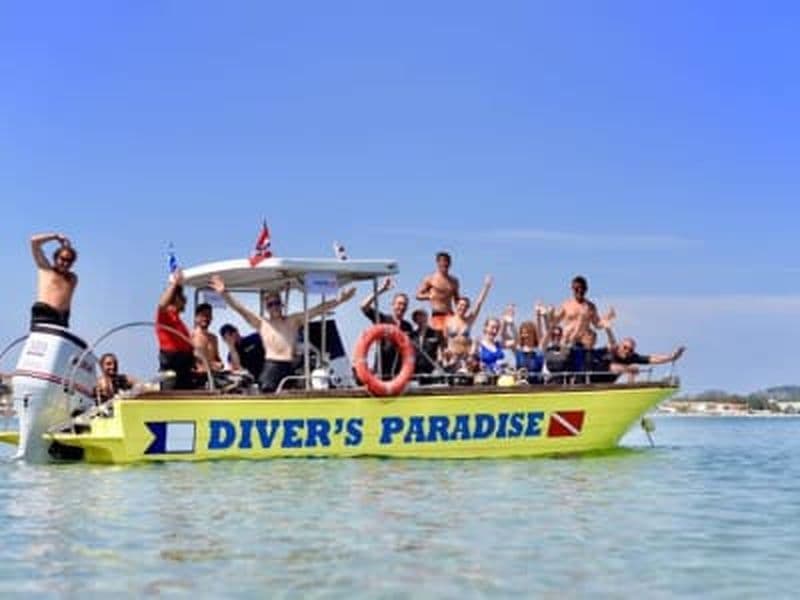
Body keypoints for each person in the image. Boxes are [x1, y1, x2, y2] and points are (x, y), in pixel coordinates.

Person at [209, 275, 356, 393]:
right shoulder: (262, 323)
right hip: (272, 367)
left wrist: (340, 300)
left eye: (276, 303)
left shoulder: (294, 320)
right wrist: (224, 293)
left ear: (282, 304)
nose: (274, 307)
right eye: (270, 304)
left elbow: (318, 309)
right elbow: (241, 309)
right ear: (266, 308)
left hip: (291, 367)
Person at [360, 278, 414, 379]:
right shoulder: (383, 319)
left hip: (399, 372)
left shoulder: (407, 326)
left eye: (404, 304)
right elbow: (363, 306)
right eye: (399, 303)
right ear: (393, 305)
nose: (402, 307)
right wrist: (381, 289)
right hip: (381, 370)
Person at [156, 270, 195, 389]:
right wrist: (174, 284)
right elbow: (161, 305)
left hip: (185, 368)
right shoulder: (165, 316)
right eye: (182, 297)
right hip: (171, 368)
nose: (185, 300)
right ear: (176, 299)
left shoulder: (179, 322)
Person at [30, 232, 78, 328]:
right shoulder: (46, 270)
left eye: (69, 261)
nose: (65, 263)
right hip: (43, 317)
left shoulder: (73, 278)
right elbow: (34, 241)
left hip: (62, 321)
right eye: (63, 259)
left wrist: (67, 247)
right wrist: (55, 237)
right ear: (55, 258)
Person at [443, 275, 493, 352]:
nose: (463, 308)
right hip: (452, 353)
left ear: (467, 308)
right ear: (456, 305)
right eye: (461, 305)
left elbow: (479, 303)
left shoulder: (469, 320)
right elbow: (444, 340)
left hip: (465, 353)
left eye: (465, 306)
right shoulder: (448, 321)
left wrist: (486, 287)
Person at [416, 252, 460, 331]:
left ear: (450, 264)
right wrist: (428, 296)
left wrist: (461, 312)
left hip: (450, 314)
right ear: (438, 263)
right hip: (437, 314)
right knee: (438, 336)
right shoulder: (430, 278)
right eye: (442, 261)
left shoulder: (454, 281)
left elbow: (457, 300)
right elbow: (418, 295)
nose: (444, 263)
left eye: (447, 261)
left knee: (453, 336)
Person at [551, 275, 601, 342]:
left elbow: (597, 325)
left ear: (586, 289)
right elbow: (555, 321)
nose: (580, 290)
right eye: (576, 288)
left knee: (592, 334)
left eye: (582, 288)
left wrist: (606, 322)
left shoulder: (591, 307)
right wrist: (549, 314)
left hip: (583, 342)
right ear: (572, 289)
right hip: (568, 340)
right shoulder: (566, 305)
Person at [611, 338, 686, 382]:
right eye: (625, 347)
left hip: (609, 385)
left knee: (633, 368)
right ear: (619, 346)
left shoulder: (632, 357)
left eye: (631, 350)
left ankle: (629, 391)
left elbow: (653, 359)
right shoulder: (611, 352)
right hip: (603, 382)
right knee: (631, 368)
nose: (627, 351)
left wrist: (671, 357)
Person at [410, 309, 445, 378]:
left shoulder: (437, 333)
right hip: (416, 370)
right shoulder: (412, 335)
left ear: (426, 317)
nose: (420, 319)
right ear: (415, 320)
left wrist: (439, 363)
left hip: (432, 370)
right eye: (417, 317)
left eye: (422, 316)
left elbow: (443, 350)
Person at [192, 302, 224, 374]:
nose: (205, 318)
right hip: (198, 376)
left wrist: (221, 364)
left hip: (214, 375)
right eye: (203, 315)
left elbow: (217, 358)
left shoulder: (214, 338)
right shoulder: (191, 336)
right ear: (196, 318)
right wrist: (210, 365)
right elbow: (190, 359)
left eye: (208, 315)